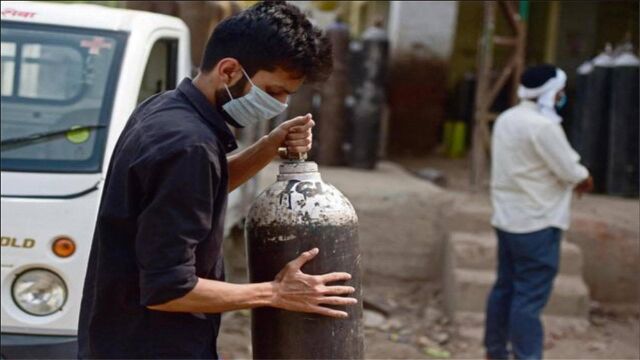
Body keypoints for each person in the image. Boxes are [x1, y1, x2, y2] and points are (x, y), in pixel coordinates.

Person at [78, 2, 357, 358]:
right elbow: (169, 290)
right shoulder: (189, 146)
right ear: (228, 70)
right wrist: (275, 293)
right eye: (272, 92)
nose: (280, 105)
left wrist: (268, 147)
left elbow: (194, 194)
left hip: (114, 339)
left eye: (287, 95)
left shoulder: (164, 110)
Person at [484, 64, 594, 360]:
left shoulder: (507, 119)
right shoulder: (544, 127)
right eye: (559, 91)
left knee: (504, 288)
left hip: (506, 220)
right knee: (528, 299)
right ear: (550, 93)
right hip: (537, 224)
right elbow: (570, 170)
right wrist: (584, 177)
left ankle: (495, 351)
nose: (562, 96)